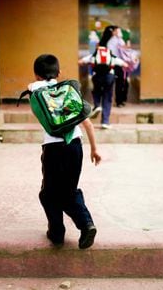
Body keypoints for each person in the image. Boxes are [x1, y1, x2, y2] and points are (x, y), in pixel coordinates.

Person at [28, 54, 101, 249]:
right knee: (69, 190)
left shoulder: (36, 89)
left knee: (48, 194)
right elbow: (88, 123)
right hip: (75, 146)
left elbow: (34, 88)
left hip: (53, 148)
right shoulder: (69, 93)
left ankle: (57, 233)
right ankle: (86, 225)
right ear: (59, 73)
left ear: (36, 75)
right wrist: (94, 149)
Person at [78, 26, 128, 129]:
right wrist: (124, 64)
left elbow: (82, 61)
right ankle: (105, 121)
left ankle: (97, 105)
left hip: (97, 77)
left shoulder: (94, 54)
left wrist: (83, 63)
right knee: (107, 98)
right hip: (109, 77)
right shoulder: (111, 55)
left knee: (96, 92)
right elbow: (124, 64)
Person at [107, 26, 129, 107]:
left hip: (124, 64)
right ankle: (118, 101)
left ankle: (123, 99)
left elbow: (125, 49)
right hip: (117, 65)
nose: (118, 32)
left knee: (125, 82)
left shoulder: (120, 40)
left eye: (118, 30)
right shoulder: (110, 42)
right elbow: (113, 54)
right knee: (119, 83)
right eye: (116, 30)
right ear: (113, 32)